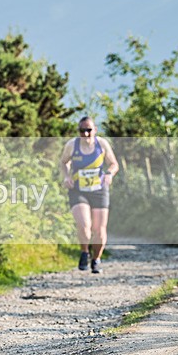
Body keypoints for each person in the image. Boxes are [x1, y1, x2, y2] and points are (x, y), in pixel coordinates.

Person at [60, 116, 119, 274]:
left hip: (99, 189)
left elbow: (114, 164)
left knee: (99, 229)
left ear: (95, 130)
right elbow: (63, 162)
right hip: (78, 190)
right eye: (82, 131)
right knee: (84, 225)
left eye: (89, 130)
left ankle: (96, 259)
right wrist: (66, 176)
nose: (85, 134)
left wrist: (109, 174)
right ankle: (85, 252)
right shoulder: (72, 145)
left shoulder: (102, 144)